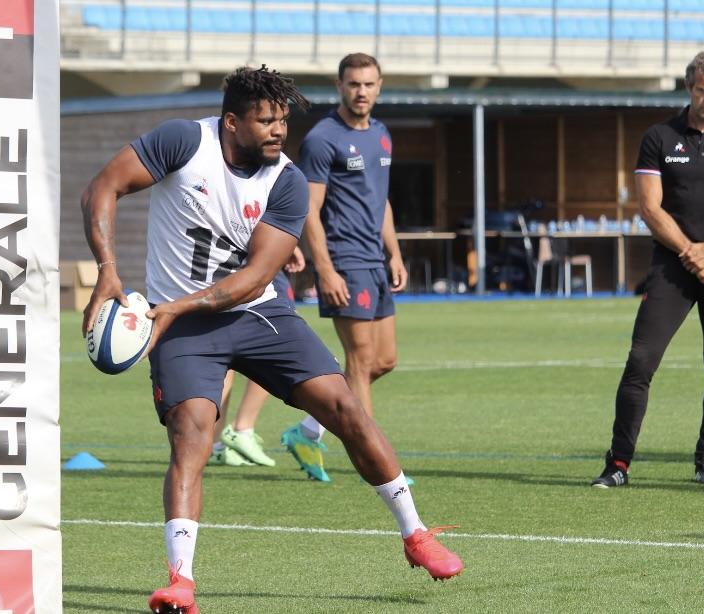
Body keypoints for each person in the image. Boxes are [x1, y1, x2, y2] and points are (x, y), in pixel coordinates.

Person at [79, 65, 463, 614]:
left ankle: (416, 534)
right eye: (265, 121)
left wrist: (174, 307)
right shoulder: (182, 141)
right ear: (231, 122)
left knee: (345, 407)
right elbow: (104, 187)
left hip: (254, 314)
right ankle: (180, 580)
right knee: (192, 434)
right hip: (183, 327)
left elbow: (255, 279)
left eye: (283, 120)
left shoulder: (285, 180)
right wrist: (109, 270)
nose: (279, 131)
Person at [590, 49, 704, 489]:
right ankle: (619, 463)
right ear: (689, 88)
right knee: (641, 360)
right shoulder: (659, 137)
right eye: (703, 89)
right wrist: (691, 251)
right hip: (673, 264)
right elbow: (649, 207)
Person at [281, 52, 408, 484]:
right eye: (354, 84)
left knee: (384, 361)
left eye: (369, 84)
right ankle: (377, 464)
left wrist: (395, 252)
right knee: (360, 360)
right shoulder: (322, 139)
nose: (361, 92)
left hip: (376, 259)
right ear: (340, 86)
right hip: (345, 259)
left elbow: (382, 199)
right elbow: (309, 210)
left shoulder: (382, 134)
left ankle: (308, 429)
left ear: (380, 86)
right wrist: (326, 270)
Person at [212, 248, 307, 468]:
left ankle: (212, 444)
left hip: (223, 259)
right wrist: (289, 245)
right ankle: (242, 428)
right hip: (257, 259)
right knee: (275, 337)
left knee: (222, 349)